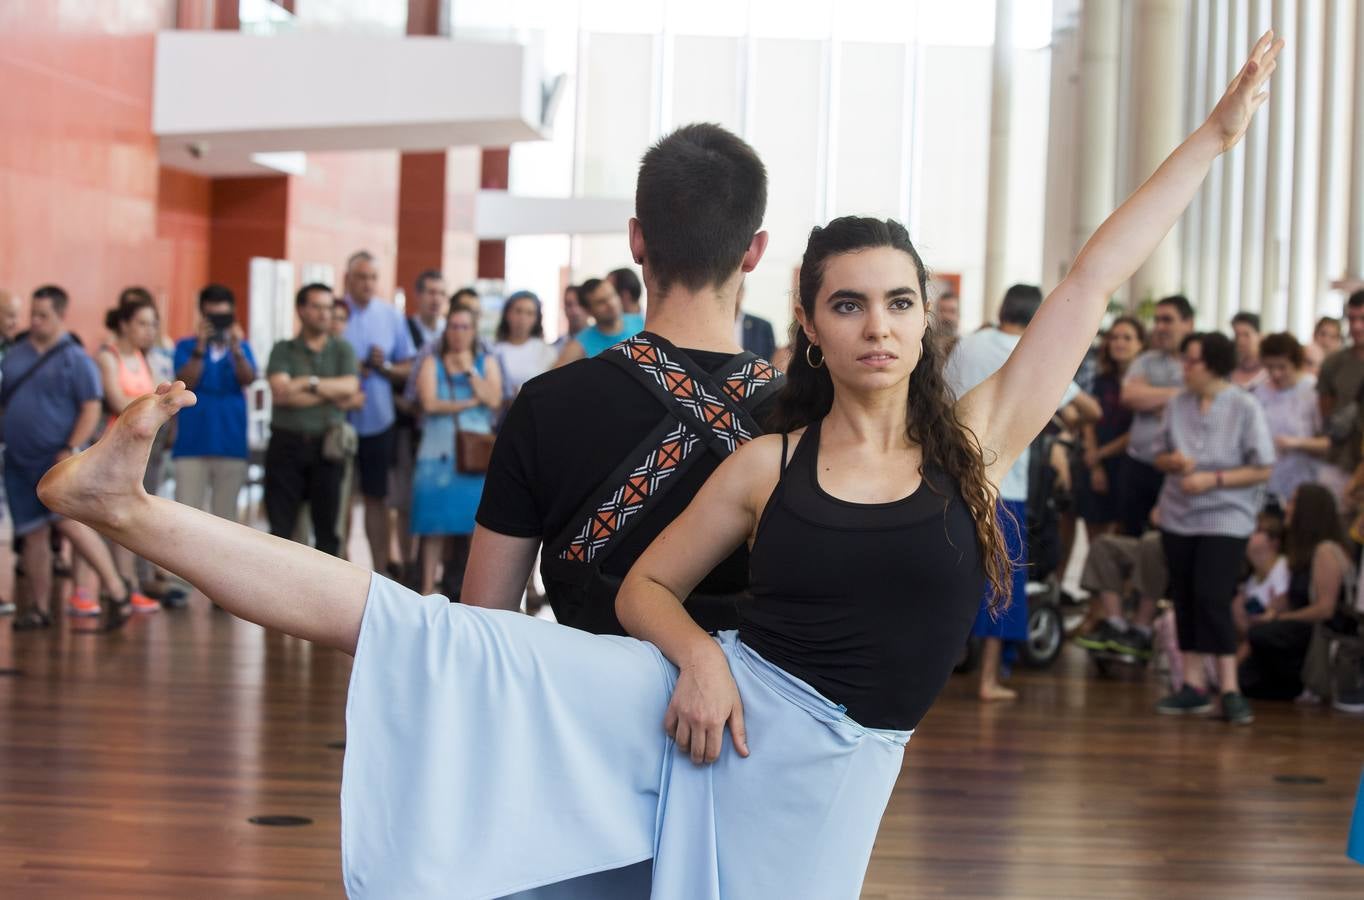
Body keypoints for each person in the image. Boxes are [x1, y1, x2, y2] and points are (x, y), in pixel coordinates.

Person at [35, 36, 1281, 896]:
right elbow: (648, 595)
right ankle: (128, 514)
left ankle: (131, 514)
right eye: (848, 305)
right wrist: (692, 660)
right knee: (420, 633)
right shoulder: (762, 461)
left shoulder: (979, 439)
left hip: (831, 770)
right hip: (710, 714)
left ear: (924, 319)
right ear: (804, 316)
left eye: (899, 302)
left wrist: (1217, 139)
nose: (880, 326)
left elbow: (1089, 279)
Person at [946, 284, 1100, 701]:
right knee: (1002, 581)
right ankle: (988, 680)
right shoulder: (1027, 351)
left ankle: (944, 667)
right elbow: (1089, 411)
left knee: (951, 574)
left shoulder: (968, 345)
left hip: (950, 476)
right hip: (1004, 481)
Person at [3, 285, 155, 629]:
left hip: (57, 459)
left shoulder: (76, 360)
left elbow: (90, 408)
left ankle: (116, 590)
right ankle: (40, 609)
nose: (35, 321)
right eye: (33, 314)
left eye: (43, 315)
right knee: (32, 532)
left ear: (60, 315)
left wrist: (70, 445)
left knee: (69, 524)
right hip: (18, 459)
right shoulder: (16, 356)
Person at [1153, 331, 1275, 724]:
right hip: (1178, 514)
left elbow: (1263, 467)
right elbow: (1158, 454)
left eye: (1192, 361)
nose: (1185, 368)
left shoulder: (1244, 406)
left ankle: (1229, 687)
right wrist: (1172, 462)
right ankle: (1192, 685)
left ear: (1214, 365)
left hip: (1226, 515)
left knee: (1213, 596)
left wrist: (1213, 479)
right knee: (1185, 596)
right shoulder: (1177, 404)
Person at [411, 306, 502, 596]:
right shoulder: (431, 362)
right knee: (432, 527)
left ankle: (473, 594)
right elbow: (430, 403)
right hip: (436, 456)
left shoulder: (484, 362)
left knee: (474, 527)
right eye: (453, 326)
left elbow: (494, 398)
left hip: (475, 456)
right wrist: (466, 403)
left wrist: (470, 372)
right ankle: (426, 590)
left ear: (473, 331)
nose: (458, 333)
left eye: (464, 327)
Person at [264, 284, 360, 556]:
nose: (324, 314)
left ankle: (324, 598)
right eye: (317, 307)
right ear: (301, 310)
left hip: (328, 447)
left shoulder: (342, 350)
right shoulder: (284, 349)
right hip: (287, 444)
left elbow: (351, 387)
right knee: (281, 529)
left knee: (328, 530)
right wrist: (331, 394)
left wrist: (307, 382)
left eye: (329, 308)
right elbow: (282, 395)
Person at [1240, 483, 1354, 701]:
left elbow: (1325, 609)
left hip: (1318, 635)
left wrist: (1281, 617)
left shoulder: (1326, 550)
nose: (1287, 508)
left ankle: (1300, 685)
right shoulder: (1303, 552)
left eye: (1293, 502)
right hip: (1300, 631)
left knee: (1263, 634)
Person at [341, 251, 417, 577]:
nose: (367, 283)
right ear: (348, 279)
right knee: (340, 501)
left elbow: (408, 367)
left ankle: (379, 574)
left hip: (379, 421)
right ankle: (339, 571)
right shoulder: (334, 313)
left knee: (377, 499)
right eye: (361, 277)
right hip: (337, 423)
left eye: (373, 277)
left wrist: (383, 366)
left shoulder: (391, 316)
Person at [95, 291, 168, 612]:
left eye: (152, 325)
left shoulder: (142, 357)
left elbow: (152, 399)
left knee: (135, 517)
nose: (148, 331)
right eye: (142, 323)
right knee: (116, 518)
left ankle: (132, 583)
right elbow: (116, 400)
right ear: (124, 325)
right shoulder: (108, 356)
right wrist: (152, 405)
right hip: (114, 449)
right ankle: (119, 584)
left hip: (142, 447)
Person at [172, 284, 256, 530]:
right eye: (213, 317)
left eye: (224, 317)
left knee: (226, 522)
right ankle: (180, 570)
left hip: (230, 444)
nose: (219, 323)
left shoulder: (242, 348)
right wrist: (200, 346)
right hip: (191, 443)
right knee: (186, 518)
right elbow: (185, 381)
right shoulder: (186, 347)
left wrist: (237, 349)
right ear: (202, 315)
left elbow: (248, 379)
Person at [1119, 294, 1196, 536]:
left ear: (1188, 323)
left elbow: (1199, 404)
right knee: (1131, 538)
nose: (1160, 327)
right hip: (1139, 464)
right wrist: (1181, 394)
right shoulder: (1146, 360)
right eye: (1157, 320)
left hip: (1177, 468)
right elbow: (1130, 397)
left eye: (1168, 320)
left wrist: (1151, 395)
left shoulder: (1199, 362)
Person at [1073, 316, 1145, 538]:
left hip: (1128, 463)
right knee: (1095, 537)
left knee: (1123, 537)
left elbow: (1140, 430)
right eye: (1114, 337)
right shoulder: (1102, 380)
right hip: (1096, 461)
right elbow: (1089, 421)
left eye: (1127, 338)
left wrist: (1100, 454)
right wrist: (1095, 462)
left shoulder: (1145, 385)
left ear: (1141, 344)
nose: (1119, 343)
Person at [1253, 332, 1326, 504]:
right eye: (1270, 367)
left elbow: (1327, 442)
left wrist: (1296, 442)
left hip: (1303, 480)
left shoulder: (1312, 390)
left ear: (1296, 363)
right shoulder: (1260, 393)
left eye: (1282, 367)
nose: (1276, 374)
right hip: (1267, 483)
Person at [1316, 290, 1364, 500]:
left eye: (1362, 319)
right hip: (1340, 462)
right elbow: (1326, 410)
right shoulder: (1334, 363)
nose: (1356, 326)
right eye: (1352, 319)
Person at [1233, 512, 1288, 662]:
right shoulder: (1250, 582)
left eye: (1256, 530)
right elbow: (1248, 625)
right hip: (1253, 642)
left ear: (1274, 542)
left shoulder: (1282, 568)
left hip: (1275, 645)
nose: (1248, 534)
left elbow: (1275, 615)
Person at [553, 277, 646, 365]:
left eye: (612, 295)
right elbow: (552, 377)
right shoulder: (580, 344)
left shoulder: (641, 323)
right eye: (601, 302)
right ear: (588, 311)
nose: (611, 304)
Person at [492, 290, 556, 405]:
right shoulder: (494, 351)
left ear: (536, 319)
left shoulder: (546, 351)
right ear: (507, 314)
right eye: (518, 311)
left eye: (529, 313)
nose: (522, 318)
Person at [735, 286, 777, 360]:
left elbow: (771, 360)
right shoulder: (711, 326)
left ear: (742, 292)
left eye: (736, 291)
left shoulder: (762, 326)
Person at [1230, 311, 1267, 389]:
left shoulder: (1268, 373)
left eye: (1246, 335)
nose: (1240, 341)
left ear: (1260, 336)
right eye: (1237, 335)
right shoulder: (1229, 371)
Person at [554, 283, 590, 351]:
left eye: (580, 304)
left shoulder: (602, 341)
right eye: (569, 304)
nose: (575, 310)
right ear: (564, 309)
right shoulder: (555, 347)